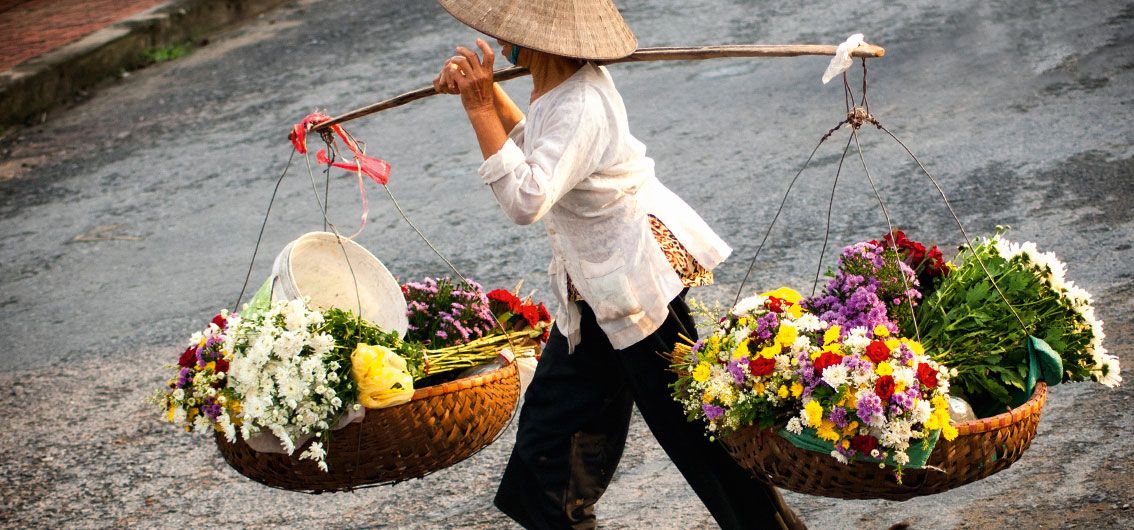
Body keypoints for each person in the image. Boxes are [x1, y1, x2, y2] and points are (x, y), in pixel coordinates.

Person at [431, 1, 806, 528]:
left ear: (540, 41)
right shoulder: (553, 87)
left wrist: (477, 110)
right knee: (545, 454)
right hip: (591, 297)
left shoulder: (581, 100)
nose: (503, 42)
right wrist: (488, 92)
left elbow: (527, 198)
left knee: (703, 443)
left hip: (633, 289)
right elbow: (540, 152)